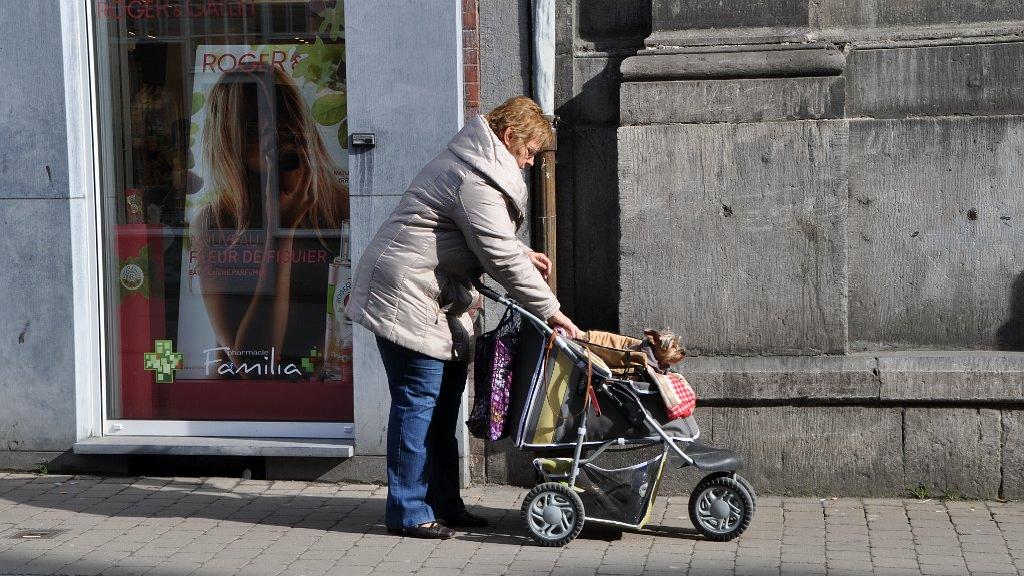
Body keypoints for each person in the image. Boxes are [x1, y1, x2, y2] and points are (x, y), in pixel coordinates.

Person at [346, 96, 580, 539]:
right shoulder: (474, 175)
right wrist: (552, 311)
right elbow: (497, 254)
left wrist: (522, 252)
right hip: (407, 295)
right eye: (529, 151)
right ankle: (408, 510)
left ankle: (444, 504)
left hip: (433, 297)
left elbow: (484, 238)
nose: (530, 162)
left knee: (443, 405)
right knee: (419, 404)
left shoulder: (477, 166)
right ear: (509, 138)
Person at [189, 65, 348, 373]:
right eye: (252, 132)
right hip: (247, 395)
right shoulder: (216, 220)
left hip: (324, 385)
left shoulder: (340, 208)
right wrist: (282, 230)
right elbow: (250, 360)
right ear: (228, 140)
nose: (270, 144)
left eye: (282, 126)